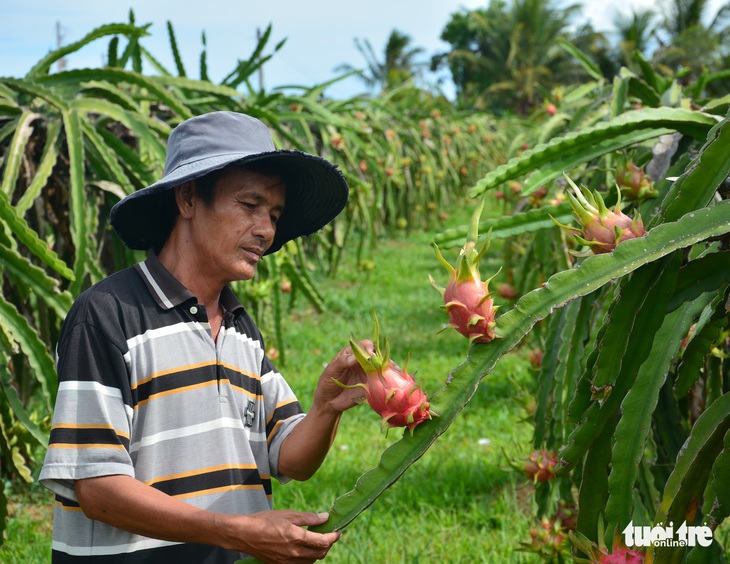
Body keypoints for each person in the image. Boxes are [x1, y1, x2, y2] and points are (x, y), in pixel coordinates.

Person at [40, 111, 369, 564]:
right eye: (250, 206)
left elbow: (291, 459)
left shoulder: (239, 328)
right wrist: (237, 532)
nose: (267, 230)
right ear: (189, 198)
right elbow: (97, 489)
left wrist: (327, 406)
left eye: (274, 214)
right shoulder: (107, 317)